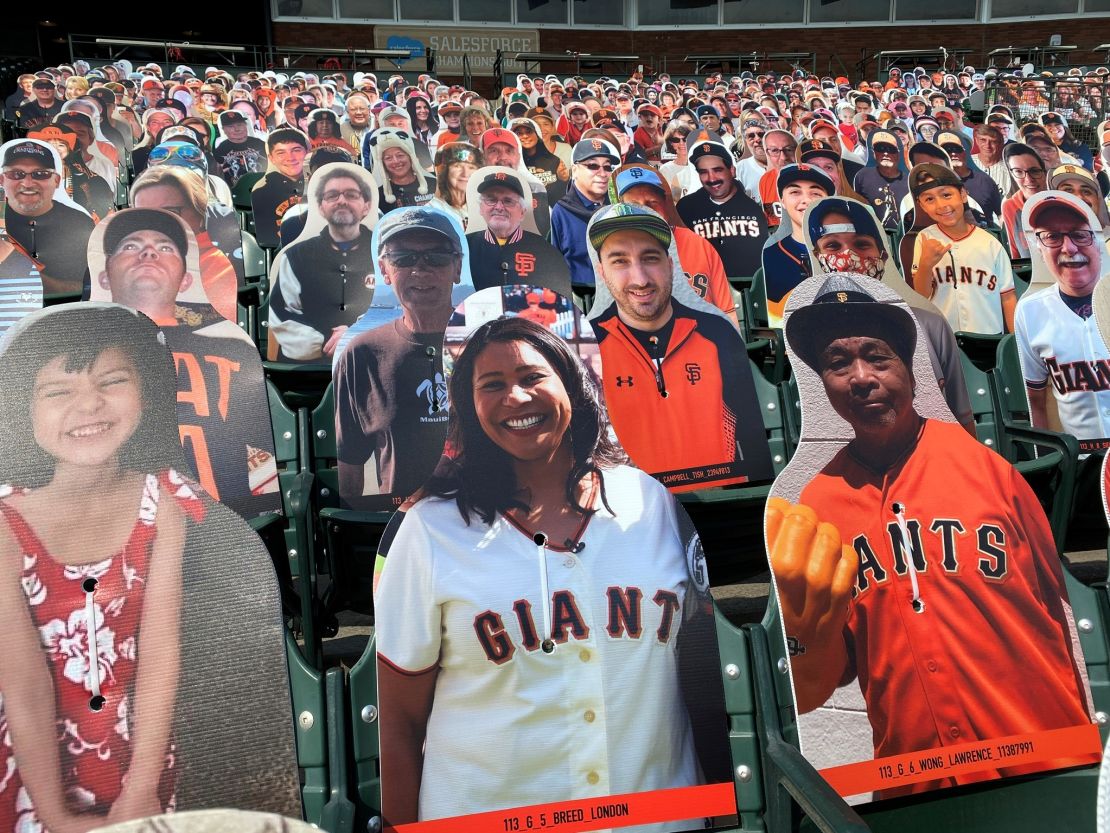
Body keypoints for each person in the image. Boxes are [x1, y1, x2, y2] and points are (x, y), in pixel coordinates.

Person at [375, 313, 710, 825]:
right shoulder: (429, 531)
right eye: (492, 385)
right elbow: (397, 721)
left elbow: (708, 672)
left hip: (658, 818)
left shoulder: (652, 505)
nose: (516, 397)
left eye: (533, 377)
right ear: (469, 408)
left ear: (572, 386)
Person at [772, 274, 1095, 793]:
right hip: (917, 784)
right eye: (837, 363)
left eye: (877, 356)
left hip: (1047, 758)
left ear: (910, 369)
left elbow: (1060, 612)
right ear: (821, 383)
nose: (860, 377)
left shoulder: (989, 471)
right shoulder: (816, 505)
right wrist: (802, 635)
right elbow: (813, 690)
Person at [0, 304, 193, 832]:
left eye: (111, 381)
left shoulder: (163, 505)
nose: (89, 405)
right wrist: (55, 816)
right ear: (21, 410)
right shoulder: (3, 525)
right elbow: (21, 681)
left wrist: (141, 790)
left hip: (139, 760)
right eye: (58, 392)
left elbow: (159, 653)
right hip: (31, 765)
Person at [588, 203, 772, 488]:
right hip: (638, 516)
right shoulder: (587, 347)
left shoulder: (717, 332)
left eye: (650, 258)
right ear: (601, 271)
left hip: (721, 500)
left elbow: (754, 450)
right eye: (620, 261)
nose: (640, 279)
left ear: (670, 264)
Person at [805, 196, 975, 433]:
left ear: (883, 256)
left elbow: (961, 416)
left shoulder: (930, 324)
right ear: (816, 256)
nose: (849, 257)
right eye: (833, 246)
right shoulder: (806, 336)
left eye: (862, 245)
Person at [334, 208, 463, 507]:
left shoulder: (487, 343)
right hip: (402, 525)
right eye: (403, 257)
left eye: (438, 256)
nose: (420, 268)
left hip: (484, 523)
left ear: (457, 267)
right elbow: (349, 469)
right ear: (384, 270)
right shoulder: (361, 354)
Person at [1017, 192, 1110, 446]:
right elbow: (1035, 400)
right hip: (1079, 461)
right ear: (1039, 246)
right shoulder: (1029, 311)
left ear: (1098, 242)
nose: (1068, 248)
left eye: (1080, 234)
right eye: (1052, 237)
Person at [270, 165, 377, 362]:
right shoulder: (294, 257)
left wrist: (359, 334)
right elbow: (281, 316)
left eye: (352, 195)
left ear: (367, 205)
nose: (342, 201)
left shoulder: (388, 255)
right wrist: (326, 340)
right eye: (332, 196)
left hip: (375, 361)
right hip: (311, 370)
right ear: (320, 207)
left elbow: (402, 310)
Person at [612, 164, 737, 323]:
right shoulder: (614, 254)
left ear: (664, 203)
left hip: (704, 340)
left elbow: (728, 311)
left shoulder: (698, 244)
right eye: (635, 205)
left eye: (652, 202)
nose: (645, 211)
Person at [909, 164, 1016, 335]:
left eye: (946, 195)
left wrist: (1016, 345)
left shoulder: (990, 243)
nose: (941, 205)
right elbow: (922, 295)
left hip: (988, 339)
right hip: (944, 338)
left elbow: (1008, 297)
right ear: (921, 205)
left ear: (963, 194)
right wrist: (926, 265)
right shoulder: (924, 238)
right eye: (929, 199)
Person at [130, 165, 239, 323]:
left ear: (200, 213)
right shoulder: (126, 261)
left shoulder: (216, 266)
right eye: (144, 215)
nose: (155, 223)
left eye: (171, 212)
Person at [1, 140, 94, 295]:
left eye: (41, 174)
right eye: (16, 174)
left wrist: (25, 275)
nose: (28, 183)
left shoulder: (81, 225)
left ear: (56, 181)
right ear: (2, 180)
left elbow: (90, 289)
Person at [465, 170, 570, 294]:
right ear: (481, 208)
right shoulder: (464, 247)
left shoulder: (546, 251)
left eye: (508, 201)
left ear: (522, 212)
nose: (499, 207)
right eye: (491, 199)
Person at [676, 138, 768, 279]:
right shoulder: (686, 208)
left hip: (749, 289)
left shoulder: (754, 206)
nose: (711, 178)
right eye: (703, 172)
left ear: (732, 170)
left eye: (718, 170)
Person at [763, 164, 835, 328]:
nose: (806, 200)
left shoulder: (850, 249)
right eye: (795, 192)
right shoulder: (769, 256)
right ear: (782, 200)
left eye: (815, 193)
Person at [550, 138, 618, 287]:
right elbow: (555, 266)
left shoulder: (618, 207)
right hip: (580, 296)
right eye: (593, 166)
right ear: (575, 171)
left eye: (607, 167)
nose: (602, 173)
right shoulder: (561, 211)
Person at [251, 127, 309, 248]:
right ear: (271, 158)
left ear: (307, 151)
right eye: (281, 153)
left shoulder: (323, 185)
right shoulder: (261, 193)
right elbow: (267, 239)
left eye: (296, 150)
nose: (290, 158)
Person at [368, 127, 435, 211]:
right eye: (388, 158)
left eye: (400, 155)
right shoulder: (378, 196)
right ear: (383, 164)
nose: (396, 161)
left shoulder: (434, 185)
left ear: (411, 157)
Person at [852, 130, 908, 231]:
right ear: (873, 153)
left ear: (897, 153)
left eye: (891, 149)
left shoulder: (908, 180)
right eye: (880, 149)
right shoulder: (862, 176)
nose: (886, 153)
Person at [1002, 143, 1047, 259]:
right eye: (1018, 172)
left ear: (1044, 171)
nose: (1028, 179)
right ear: (1012, 174)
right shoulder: (1009, 206)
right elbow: (1015, 253)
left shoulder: (1062, 199)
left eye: (1034, 171)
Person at [213, 111, 267, 188]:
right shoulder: (220, 150)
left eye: (240, 124)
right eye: (231, 126)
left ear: (245, 125)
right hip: (236, 192)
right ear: (223, 130)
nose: (237, 129)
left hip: (263, 187)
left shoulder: (261, 144)